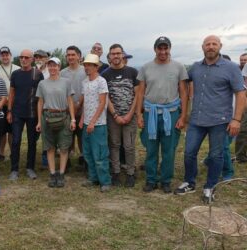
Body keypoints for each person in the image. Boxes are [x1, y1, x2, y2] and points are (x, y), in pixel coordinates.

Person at [174, 35, 246, 202]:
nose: (211, 47)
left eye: (214, 44)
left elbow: (241, 95)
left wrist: (236, 120)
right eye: (208, 44)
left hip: (220, 121)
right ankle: (189, 182)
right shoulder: (196, 68)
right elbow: (182, 82)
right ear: (202, 47)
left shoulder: (231, 68)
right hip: (197, 120)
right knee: (189, 153)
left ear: (220, 46)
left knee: (216, 155)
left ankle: (210, 186)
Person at [136, 36, 188, 193]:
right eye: (160, 48)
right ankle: (151, 180)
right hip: (150, 113)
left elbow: (184, 93)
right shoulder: (145, 68)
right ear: (155, 49)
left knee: (169, 150)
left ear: (169, 49)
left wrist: (183, 116)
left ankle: (166, 180)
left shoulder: (179, 67)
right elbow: (140, 92)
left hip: (170, 113)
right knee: (150, 149)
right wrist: (139, 115)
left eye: (166, 48)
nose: (163, 51)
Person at [102, 44, 139, 188]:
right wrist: (115, 114)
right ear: (110, 56)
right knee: (114, 145)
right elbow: (106, 97)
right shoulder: (105, 75)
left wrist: (130, 114)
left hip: (130, 116)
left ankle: (130, 173)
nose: (116, 56)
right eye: (113, 54)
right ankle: (116, 173)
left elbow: (137, 95)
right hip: (113, 117)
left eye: (118, 53)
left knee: (129, 146)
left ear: (123, 55)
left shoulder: (132, 72)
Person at [36, 57, 76, 188]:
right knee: (50, 147)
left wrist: (73, 119)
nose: (52, 68)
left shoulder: (66, 82)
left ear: (59, 67)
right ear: (48, 67)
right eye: (50, 65)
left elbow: (69, 100)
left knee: (64, 147)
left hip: (63, 116)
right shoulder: (42, 83)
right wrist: (39, 121)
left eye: (55, 65)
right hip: (47, 116)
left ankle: (62, 173)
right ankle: (53, 174)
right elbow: (40, 102)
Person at [7, 49, 44, 180]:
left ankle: (30, 168)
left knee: (32, 142)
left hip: (32, 113)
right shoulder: (15, 74)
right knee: (16, 141)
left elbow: (41, 96)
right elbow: (11, 93)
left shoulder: (38, 74)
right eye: (21, 57)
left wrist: (41, 116)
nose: (23, 59)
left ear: (32, 59)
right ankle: (14, 169)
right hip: (17, 112)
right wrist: (9, 111)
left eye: (26, 57)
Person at [80, 54, 111, 192]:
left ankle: (105, 181)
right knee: (87, 153)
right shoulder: (85, 82)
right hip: (87, 123)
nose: (86, 67)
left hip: (98, 124)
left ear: (96, 67)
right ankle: (93, 178)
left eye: (89, 65)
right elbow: (85, 102)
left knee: (100, 154)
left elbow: (103, 103)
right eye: (85, 65)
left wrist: (92, 121)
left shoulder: (101, 81)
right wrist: (82, 120)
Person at [60, 45, 87, 169]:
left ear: (79, 56)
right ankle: (67, 161)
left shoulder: (85, 71)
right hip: (66, 111)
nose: (70, 57)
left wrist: (78, 105)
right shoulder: (62, 73)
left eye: (73, 54)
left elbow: (87, 89)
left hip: (83, 111)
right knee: (67, 137)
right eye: (68, 55)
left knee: (83, 138)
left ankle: (84, 159)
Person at [0, 46, 20, 161]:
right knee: (1, 131)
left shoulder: (17, 68)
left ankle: (13, 152)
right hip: (0, 105)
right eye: (2, 55)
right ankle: (0, 153)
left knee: (12, 131)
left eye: (7, 54)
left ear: (10, 56)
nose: (5, 57)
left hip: (14, 104)